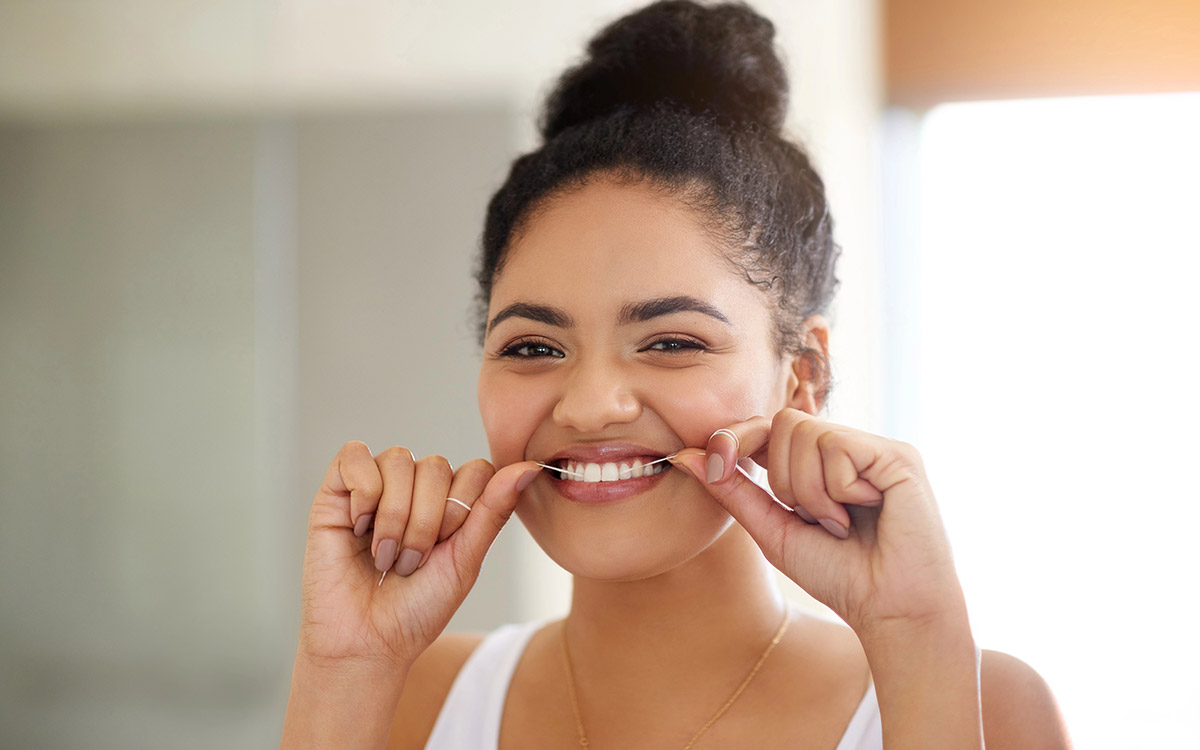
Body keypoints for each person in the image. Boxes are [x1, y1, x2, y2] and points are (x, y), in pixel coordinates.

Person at [280, 2, 1071, 748]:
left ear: (804, 373)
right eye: (533, 347)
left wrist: (914, 641)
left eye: (669, 342)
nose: (590, 406)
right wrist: (342, 672)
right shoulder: (412, 696)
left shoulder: (978, 703)